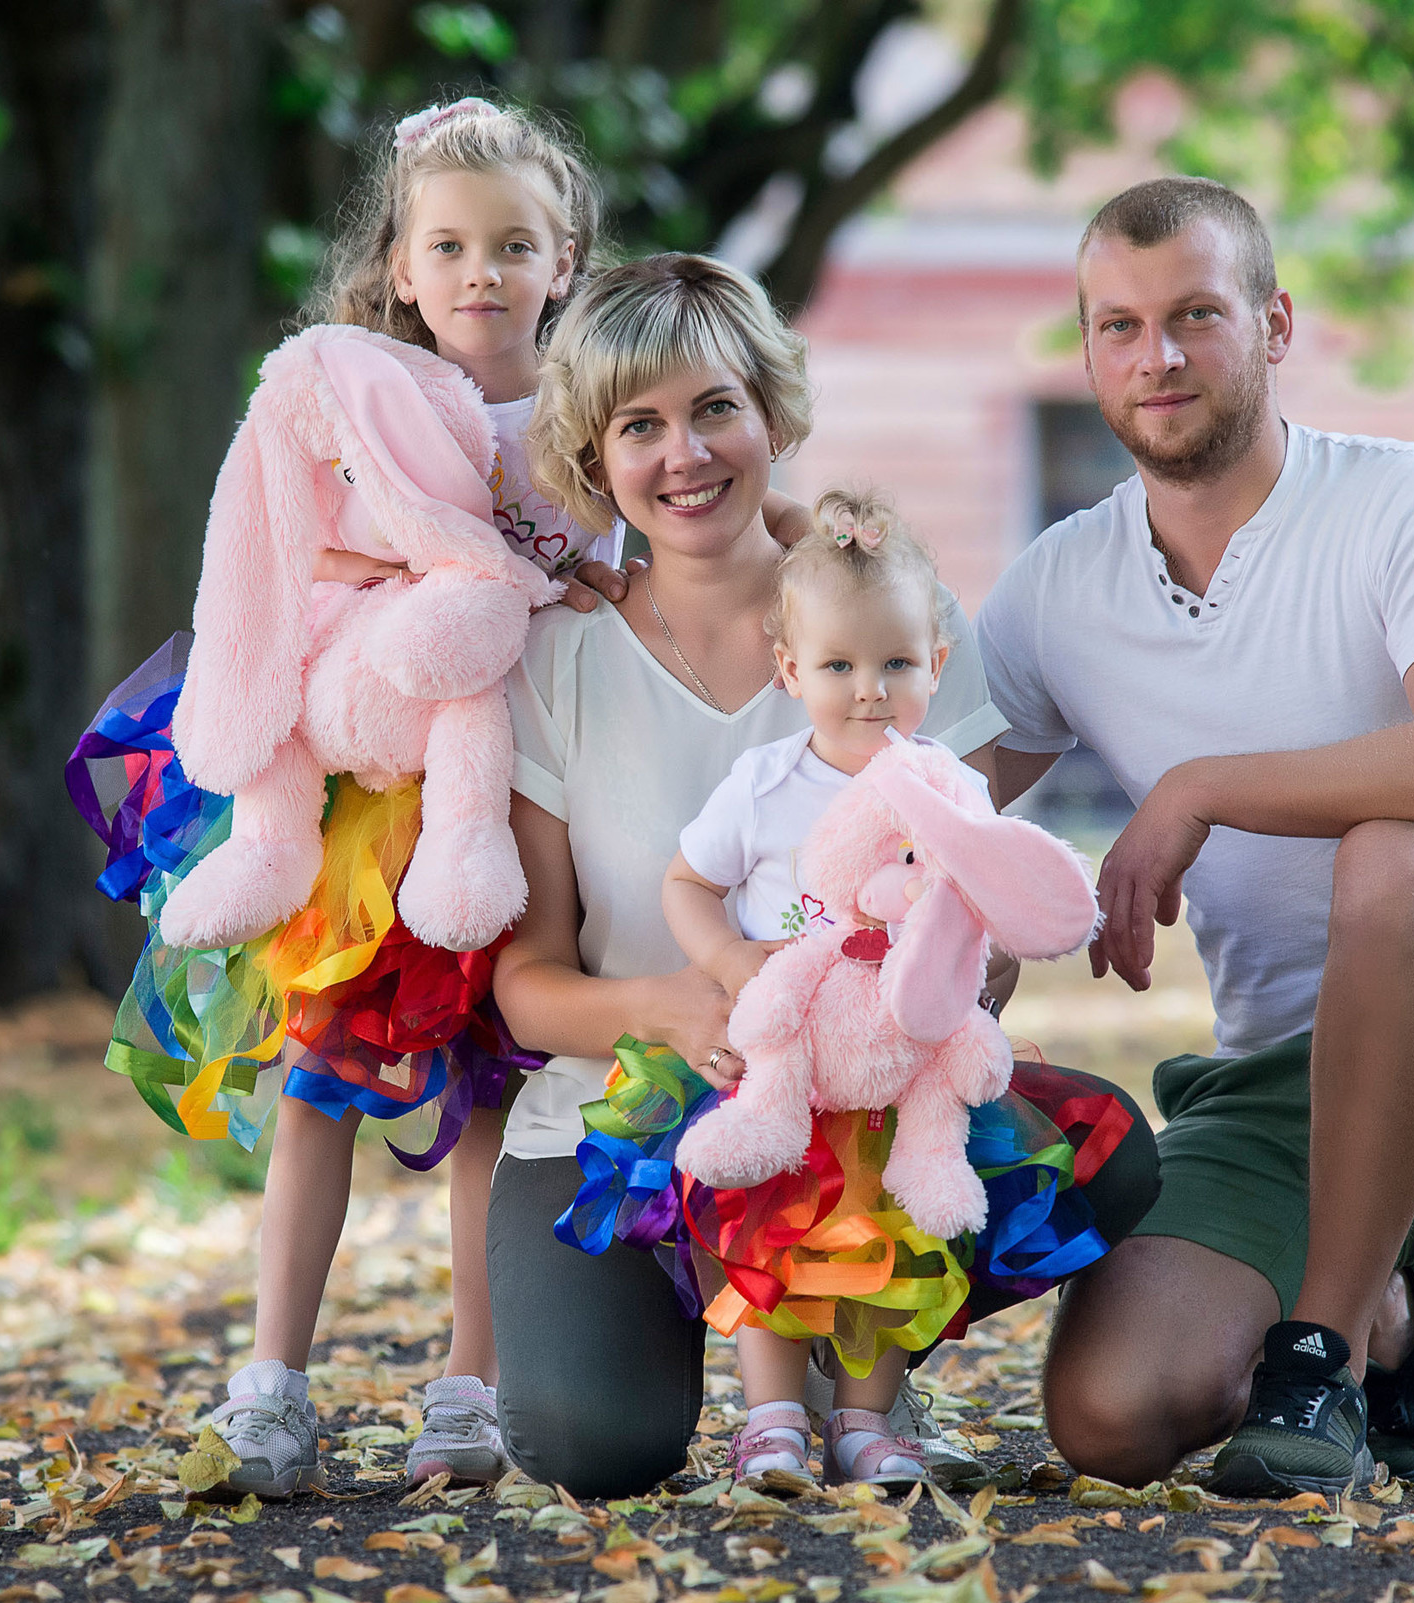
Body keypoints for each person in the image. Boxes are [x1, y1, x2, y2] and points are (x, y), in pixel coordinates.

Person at [979, 177, 1414, 1496]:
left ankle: (1318, 1353)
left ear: (1274, 324)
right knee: (1108, 1416)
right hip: (1281, 1094)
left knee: (1393, 856)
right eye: (1119, 326)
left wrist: (1201, 786)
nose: (1157, 358)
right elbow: (913, 801)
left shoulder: (1403, 498)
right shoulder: (1058, 586)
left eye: (1195, 315)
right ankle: (1398, 1316)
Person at [486, 254, 1160, 1498]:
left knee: (1107, 1155)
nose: (684, 454)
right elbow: (523, 988)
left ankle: (859, 1353)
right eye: (639, 426)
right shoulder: (552, 661)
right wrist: (670, 1008)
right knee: (594, 1445)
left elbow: (976, 907)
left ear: (772, 416)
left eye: (715, 409)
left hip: (862, 1096)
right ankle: (746, 1349)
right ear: (594, 454)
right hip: (621, 1107)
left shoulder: (894, 629)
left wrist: (950, 970)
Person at [197, 96, 625, 1499]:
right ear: (398, 265)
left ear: (565, 260)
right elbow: (292, 552)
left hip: (530, 790)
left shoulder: (587, 414)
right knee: (321, 1076)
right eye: (447, 246)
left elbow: (630, 561)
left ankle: (472, 1380)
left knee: (496, 1082)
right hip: (380, 793)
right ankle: (272, 1383)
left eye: (513, 244)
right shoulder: (356, 400)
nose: (480, 272)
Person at [662, 491, 996, 1488]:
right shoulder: (764, 785)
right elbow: (686, 883)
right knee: (771, 1224)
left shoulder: (949, 790)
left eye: (897, 663)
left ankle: (864, 1418)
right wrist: (731, 963)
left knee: (895, 1236)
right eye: (839, 665)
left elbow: (989, 904)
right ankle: (771, 1417)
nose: (869, 690)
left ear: (937, 663)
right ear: (790, 670)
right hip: (791, 1065)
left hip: (900, 1066)